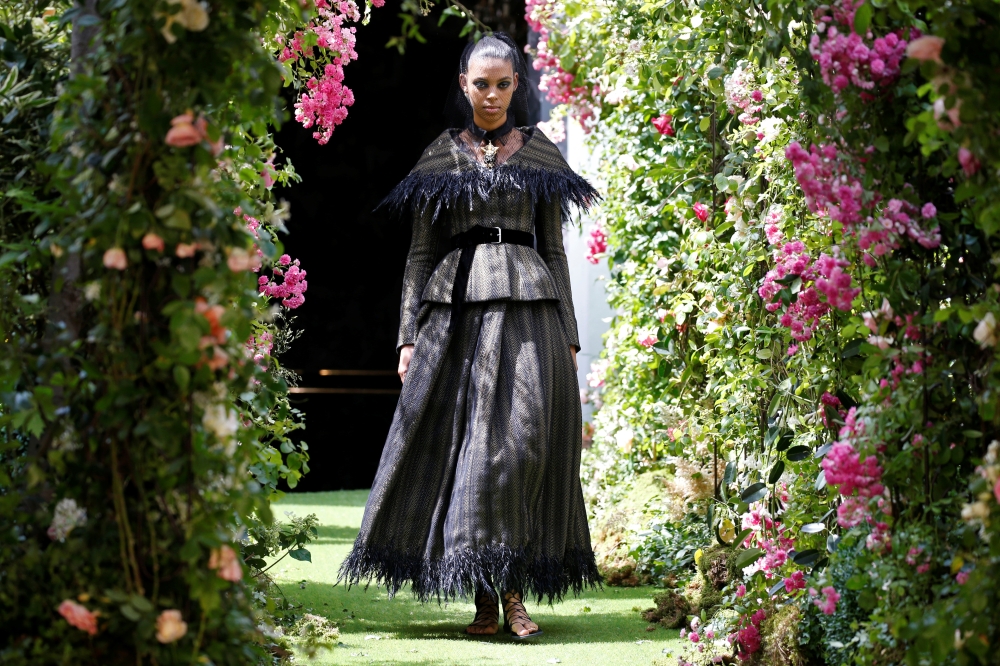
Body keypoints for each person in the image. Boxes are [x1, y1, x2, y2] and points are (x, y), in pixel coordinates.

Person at [338, 32, 600, 639]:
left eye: (503, 84)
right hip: (453, 316)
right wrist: (407, 337)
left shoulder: (539, 153)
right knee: (467, 452)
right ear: (464, 85)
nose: (491, 95)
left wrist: (569, 332)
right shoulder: (440, 154)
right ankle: (493, 603)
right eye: (481, 84)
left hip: (531, 310)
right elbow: (419, 253)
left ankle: (513, 591)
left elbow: (556, 251)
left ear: (516, 85)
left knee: (523, 444)